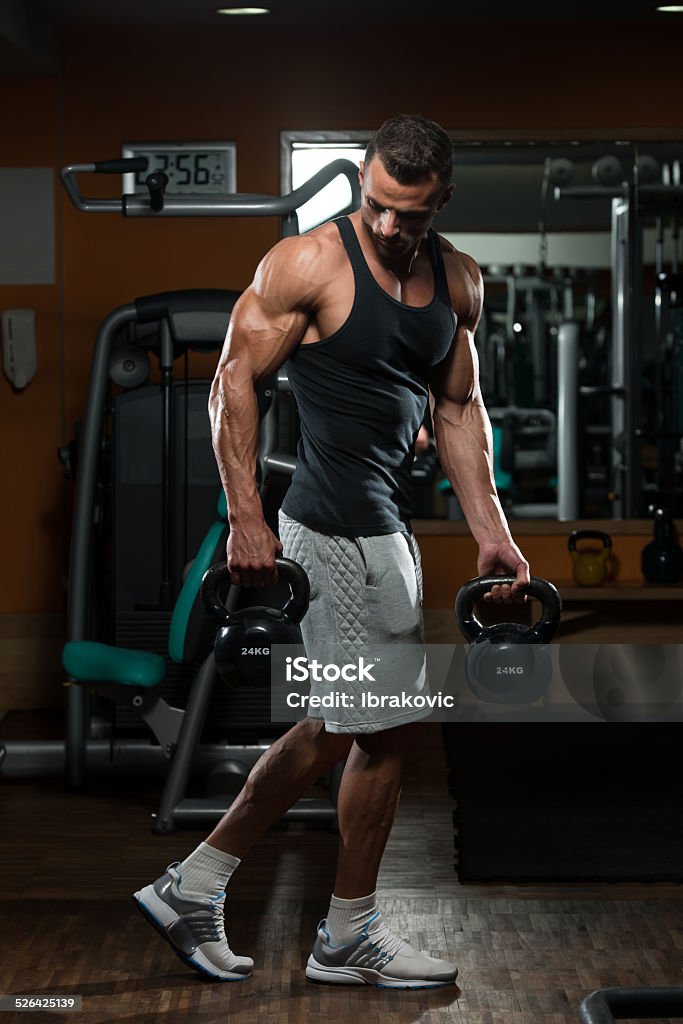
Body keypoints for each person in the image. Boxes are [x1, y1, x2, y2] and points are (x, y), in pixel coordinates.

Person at [134, 114, 530, 989]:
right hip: (329, 527)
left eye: (412, 215)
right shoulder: (309, 263)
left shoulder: (458, 281)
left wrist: (490, 529)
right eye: (380, 205)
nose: (392, 228)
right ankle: (341, 929)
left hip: (386, 530)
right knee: (384, 730)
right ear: (362, 176)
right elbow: (232, 377)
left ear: (442, 201)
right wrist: (247, 517)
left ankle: (193, 884)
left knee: (336, 724)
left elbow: (458, 412)